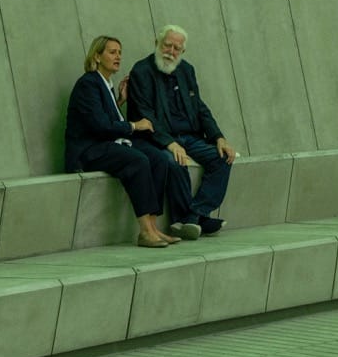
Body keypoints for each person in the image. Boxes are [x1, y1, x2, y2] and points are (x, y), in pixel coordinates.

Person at [63, 36, 201, 247]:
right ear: (97, 56)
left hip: (105, 145)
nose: (118, 56)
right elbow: (99, 126)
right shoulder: (88, 84)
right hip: (87, 150)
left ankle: (154, 227)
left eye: (119, 52)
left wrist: (119, 100)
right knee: (137, 160)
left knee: (158, 158)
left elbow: (105, 119)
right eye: (112, 52)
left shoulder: (105, 84)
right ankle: (145, 231)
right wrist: (135, 125)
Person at [127, 25, 237, 234]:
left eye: (177, 48)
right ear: (157, 44)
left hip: (190, 136)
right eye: (167, 45)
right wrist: (170, 143)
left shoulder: (186, 70)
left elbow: (200, 108)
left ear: (182, 51)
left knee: (223, 157)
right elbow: (144, 114)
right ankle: (191, 220)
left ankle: (194, 214)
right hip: (157, 139)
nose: (171, 51)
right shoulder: (141, 71)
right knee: (174, 161)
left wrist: (219, 137)